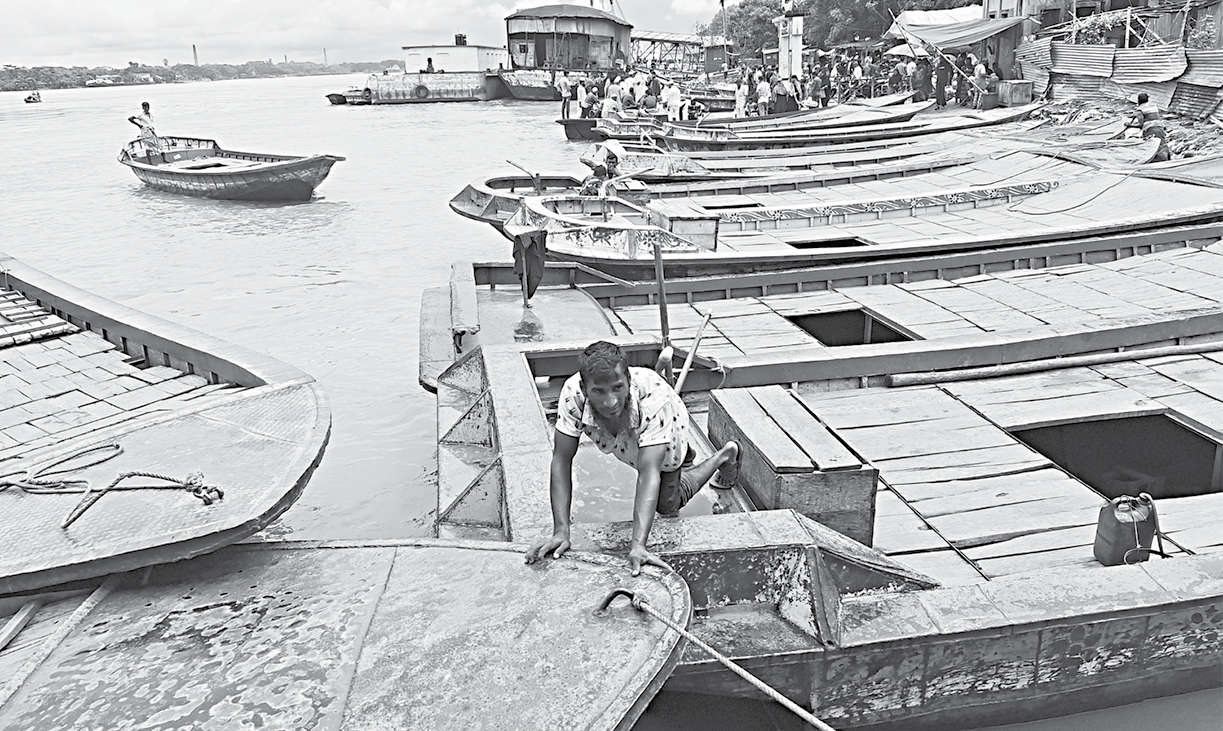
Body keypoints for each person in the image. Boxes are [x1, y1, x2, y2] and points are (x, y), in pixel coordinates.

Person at [524, 341, 740, 575]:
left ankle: (723, 455)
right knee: (647, 457)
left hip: (667, 423)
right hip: (631, 438)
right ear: (584, 389)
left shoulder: (654, 402)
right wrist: (561, 531)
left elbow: (648, 474)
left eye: (617, 388)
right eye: (599, 391)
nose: (610, 402)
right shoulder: (572, 395)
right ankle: (686, 454)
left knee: (667, 504)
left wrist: (638, 545)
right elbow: (561, 460)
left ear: (628, 381)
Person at [1127, 92, 1171, 162]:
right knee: (1162, 144)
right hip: (1159, 127)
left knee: (1152, 146)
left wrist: (1129, 125)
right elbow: (1150, 115)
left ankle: (1155, 161)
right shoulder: (1153, 106)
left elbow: (1141, 125)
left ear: (1138, 100)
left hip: (1150, 130)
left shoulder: (1140, 109)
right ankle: (1168, 159)